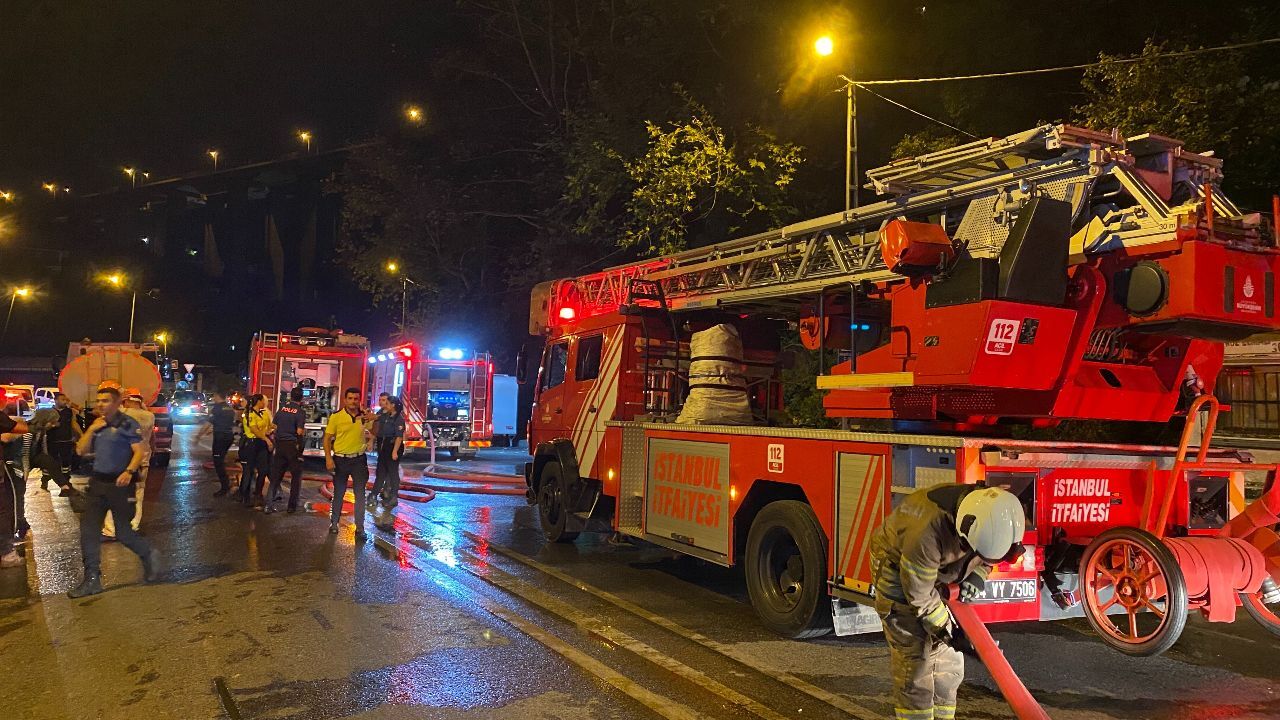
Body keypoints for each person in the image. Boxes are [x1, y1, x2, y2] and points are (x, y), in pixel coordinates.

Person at [869, 485, 1026, 720]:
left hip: (937, 577)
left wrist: (977, 575)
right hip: (900, 580)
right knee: (916, 663)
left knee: (949, 665)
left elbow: (988, 554)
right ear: (963, 535)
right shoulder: (926, 533)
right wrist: (948, 631)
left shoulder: (990, 518)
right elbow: (920, 595)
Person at [67, 386, 160, 597]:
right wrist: (91, 430)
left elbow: (140, 451)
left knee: (124, 533)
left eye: (106, 400)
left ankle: (148, 555)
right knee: (88, 532)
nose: (100, 404)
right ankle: (92, 579)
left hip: (120, 485)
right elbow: (81, 450)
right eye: (98, 400)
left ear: (118, 403)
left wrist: (129, 471)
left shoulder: (128, 423)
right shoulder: (97, 425)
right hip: (97, 484)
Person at [102, 389, 154, 536]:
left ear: (126, 400)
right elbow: (152, 439)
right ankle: (133, 525)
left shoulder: (122, 414)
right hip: (143, 460)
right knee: (138, 493)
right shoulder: (149, 416)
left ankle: (111, 529)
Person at [324, 387, 371, 541]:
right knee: (339, 493)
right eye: (350, 398)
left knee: (360, 495)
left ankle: (360, 527)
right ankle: (334, 524)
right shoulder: (336, 417)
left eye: (356, 399)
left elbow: (375, 431)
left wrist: (373, 418)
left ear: (359, 400)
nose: (353, 401)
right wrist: (328, 459)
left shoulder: (364, 417)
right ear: (345, 400)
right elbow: (327, 439)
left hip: (358, 459)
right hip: (340, 460)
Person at [26, 408, 82, 502]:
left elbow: (43, 449)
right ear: (43, 420)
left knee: (49, 461)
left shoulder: (42, 430)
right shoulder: (28, 430)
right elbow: (24, 452)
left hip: (34, 456)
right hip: (22, 458)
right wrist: (25, 470)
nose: (53, 426)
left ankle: (64, 487)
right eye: (51, 422)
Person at [266, 387, 305, 514]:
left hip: (280, 446)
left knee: (276, 476)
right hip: (292, 446)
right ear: (302, 398)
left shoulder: (281, 409)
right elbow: (299, 432)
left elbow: (274, 427)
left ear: (290, 396)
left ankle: (268, 505)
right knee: (296, 476)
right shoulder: (300, 412)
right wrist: (300, 447)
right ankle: (291, 507)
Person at [0, 412, 29, 568]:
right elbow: (19, 429)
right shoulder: (14, 428)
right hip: (9, 469)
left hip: (11, 468)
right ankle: (7, 552)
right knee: (4, 508)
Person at [195, 391, 238, 497]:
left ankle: (225, 487)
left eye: (214, 396)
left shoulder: (217, 408)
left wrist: (198, 436)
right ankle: (227, 483)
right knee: (221, 459)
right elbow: (228, 423)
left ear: (218, 396)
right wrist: (213, 430)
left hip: (220, 438)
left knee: (218, 462)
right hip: (229, 437)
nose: (213, 398)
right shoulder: (230, 409)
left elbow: (208, 423)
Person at [368, 394, 406, 513]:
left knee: (393, 472)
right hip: (384, 448)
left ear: (393, 405)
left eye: (387, 403)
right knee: (381, 472)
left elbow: (399, 437)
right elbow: (375, 418)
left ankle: (393, 496)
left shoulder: (398, 419)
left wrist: (394, 452)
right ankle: (374, 494)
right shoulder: (385, 415)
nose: (385, 404)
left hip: (393, 447)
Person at [237, 394, 274, 507]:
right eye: (264, 401)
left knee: (263, 470)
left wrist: (278, 427)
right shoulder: (249, 414)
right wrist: (267, 440)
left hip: (261, 444)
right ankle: (244, 496)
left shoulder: (264, 413)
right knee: (249, 471)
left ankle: (258, 494)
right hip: (251, 444)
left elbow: (269, 426)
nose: (265, 403)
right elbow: (254, 430)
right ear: (258, 401)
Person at [49, 393, 82, 487]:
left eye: (65, 400)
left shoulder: (69, 412)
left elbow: (73, 423)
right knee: (52, 462)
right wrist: (51, 425)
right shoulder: (49, 412)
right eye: (62, 399)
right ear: (56, 400)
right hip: (52, 442)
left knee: (66, 462)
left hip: (66, 441)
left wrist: (81, 435)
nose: (65, 401)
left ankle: (66, 481)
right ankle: (45, 479)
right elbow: (42, 425)